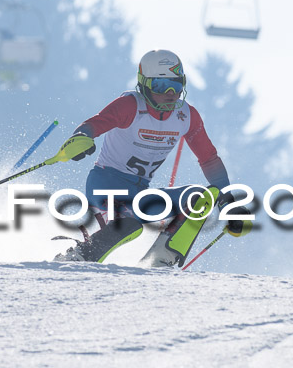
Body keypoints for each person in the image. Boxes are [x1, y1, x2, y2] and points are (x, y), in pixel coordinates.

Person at [54, 49, 251, 266]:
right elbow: (95, 123)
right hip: (106, 187)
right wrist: (81, 138)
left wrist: (229, 205)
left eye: (175, 86)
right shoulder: (130, 105)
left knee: (201, 197)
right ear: (144, 85)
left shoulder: (186, 116)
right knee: (128, 225)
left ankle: (162, 257)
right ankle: (80, 255)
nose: (169, 93)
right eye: (159, 86)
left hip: (140, 194)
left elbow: (209, 159)